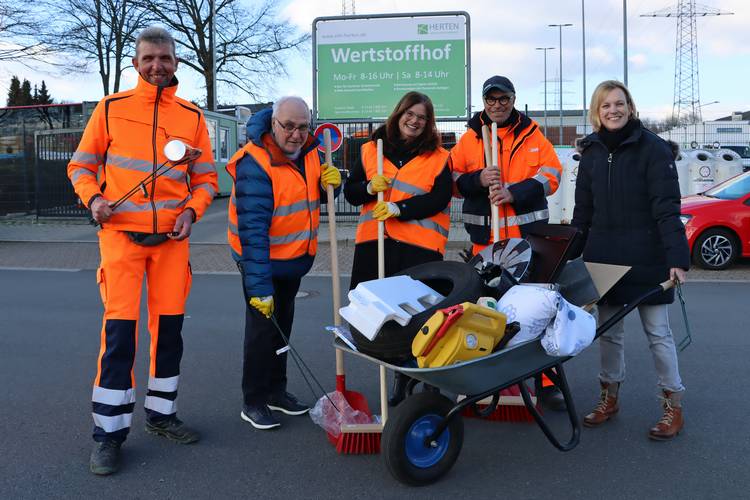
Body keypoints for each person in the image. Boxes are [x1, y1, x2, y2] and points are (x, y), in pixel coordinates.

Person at [67, 27, 218, 475]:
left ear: (176, 63)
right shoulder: (111, 110)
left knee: (169, 335)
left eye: (166, 58)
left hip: (172, 243)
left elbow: (207, 179)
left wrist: (193, 210)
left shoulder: (191, 116)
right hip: (120, 241)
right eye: (149, 58)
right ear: (136, 64)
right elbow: (81, 165)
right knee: (119, 340)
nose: (158, 65)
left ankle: (162, 416)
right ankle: (108, 435)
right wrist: (93, 199)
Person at [571, 80, 689, 440]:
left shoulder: (654, 150)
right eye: (605, 105)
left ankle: (673, 405)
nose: (613, 110)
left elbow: (667, 209)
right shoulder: (590, 153)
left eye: (619, 103)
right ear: (596, 112)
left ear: (631, 107)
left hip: (649, 258)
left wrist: (678, 258)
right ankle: (609, 397)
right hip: (604, 259)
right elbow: (582, 213)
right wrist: (570, 257)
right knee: (609, 336)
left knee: (658, 334)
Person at [226, 96, 341, 430]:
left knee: (282, 331)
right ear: (273, 123)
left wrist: (332, 184)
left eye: (303, 127)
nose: (296, 134)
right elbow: (253, 233)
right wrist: (259, 288)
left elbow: (308, 196)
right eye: (288, 126)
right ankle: (254, 400)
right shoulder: (255, 164)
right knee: (262, 334)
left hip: (293, 262)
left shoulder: (311, 154)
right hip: (260, 264)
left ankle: (277, 391)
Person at [450, 75, 564, 409]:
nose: (497, 105)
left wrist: (514, 192)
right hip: (485, 245)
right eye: (491, 99)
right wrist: (479, 178)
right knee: (483, 314)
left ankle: (546, 383)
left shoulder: (532, 135)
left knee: (539, 313)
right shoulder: (471, 139)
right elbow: (453, 180)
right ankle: (482, 381)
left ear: (513, 100)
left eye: (503, 99)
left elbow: (552, 176)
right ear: (483, 102)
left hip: (528, 246)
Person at [344, 91, 452, 405]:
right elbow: (351, 194)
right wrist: (367, 187)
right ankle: (399, 379)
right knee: (387, 321)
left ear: (428, 123)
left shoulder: (439, 156)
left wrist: (398, 210)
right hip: (376, 246)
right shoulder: (370, 150)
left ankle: (429, 381)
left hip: (418, 249)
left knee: (421, 318)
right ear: (399, 113)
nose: (415, 121)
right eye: (411, 113)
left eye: (422, 117)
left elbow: (439, 198)